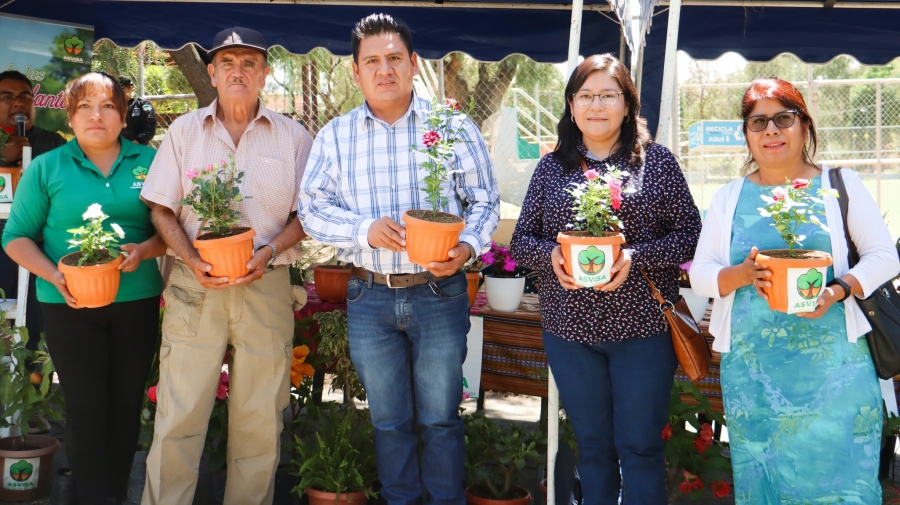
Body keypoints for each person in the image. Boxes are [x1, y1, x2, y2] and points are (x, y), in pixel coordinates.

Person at [298, 13, 499, 505]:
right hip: (369, 296)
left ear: (413, 63)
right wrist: (362, 229)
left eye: (393, 59)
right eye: (372, 61)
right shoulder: (335, 136)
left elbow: (484, 200)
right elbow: (311, 208)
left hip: (439, 292)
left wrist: (468, 247)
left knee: (441, 419)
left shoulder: (451, 127)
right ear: (356, 72)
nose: (384, 70)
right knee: (389, 421)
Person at [690, 77, 900, 503]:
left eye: (783, 118)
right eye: (758, 122)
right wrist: (742, 274)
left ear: (804, 126)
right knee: (765, 486)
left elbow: (884, 257)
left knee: (843, 487)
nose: (771, 130)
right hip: (755, 374)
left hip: (837, 371)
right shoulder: (730, 197)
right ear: (745, 133)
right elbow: (701, 274)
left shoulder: (839, 185)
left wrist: (837, 291)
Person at [509, 54, 702, 504]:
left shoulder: (656, 164)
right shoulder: (551, 168)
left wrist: (633, 258)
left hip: (643, 332)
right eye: (586, 96)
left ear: (627, 104)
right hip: (570, 333)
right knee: (593, 449)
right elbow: (521, 242)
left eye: (608, 96)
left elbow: (691, 236)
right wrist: (552, 255)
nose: (596, 106)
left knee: (639, 448)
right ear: (571, 106)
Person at [139, 26, 312, 505]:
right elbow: (160, 207)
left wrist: (271, 250)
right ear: (212, 73)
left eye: (250, 63)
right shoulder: (184, 131)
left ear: (264, 73)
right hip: (195, 290)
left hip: (267, 283)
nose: (239, 71)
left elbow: (308, 214)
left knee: (259, 422)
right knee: (178, 418)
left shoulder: (294, 136)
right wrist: (192, 259)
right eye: (228, 62)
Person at [2, 72, 166, 505]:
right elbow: (16, 237)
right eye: (85, 108)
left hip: (137, 301)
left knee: (127, 406)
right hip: (67, 303)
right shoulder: (47, 167)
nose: (97, 116)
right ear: (70, 118)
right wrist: (54, 273)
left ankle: (112, 495)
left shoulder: (150, 163)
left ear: (123, 114)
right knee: (87, 408)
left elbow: (173, 231)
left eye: (108, 106)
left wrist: (146, 251)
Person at [0, 70, 67, 348]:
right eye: (8, 97)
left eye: (25, 96)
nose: (18, 103)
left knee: (35, 331)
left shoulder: (53, 144)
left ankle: (35, 379)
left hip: (39, 249)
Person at [119, 76, 157, 146]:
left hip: (138, 147)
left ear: (131, 88)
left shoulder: (143, 105)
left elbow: (150, 128)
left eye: (121, 90)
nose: (118, 94)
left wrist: (137, 141)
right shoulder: (113, 105)